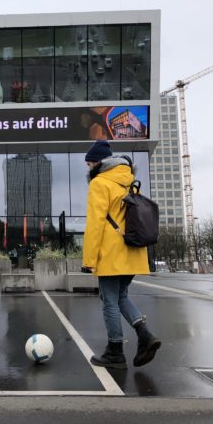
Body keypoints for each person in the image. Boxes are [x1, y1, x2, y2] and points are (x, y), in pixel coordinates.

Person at [82, 140, 161, 369]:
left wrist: (89, 261)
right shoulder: (129, 182)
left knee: (109, 301)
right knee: (121, 296)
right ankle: (144, 335)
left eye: (89, 163)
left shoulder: (100, 183)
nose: (88, 168)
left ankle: (115, 351)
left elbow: (96, 223)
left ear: (99, 163)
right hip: (133, 251)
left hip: (111, 252)